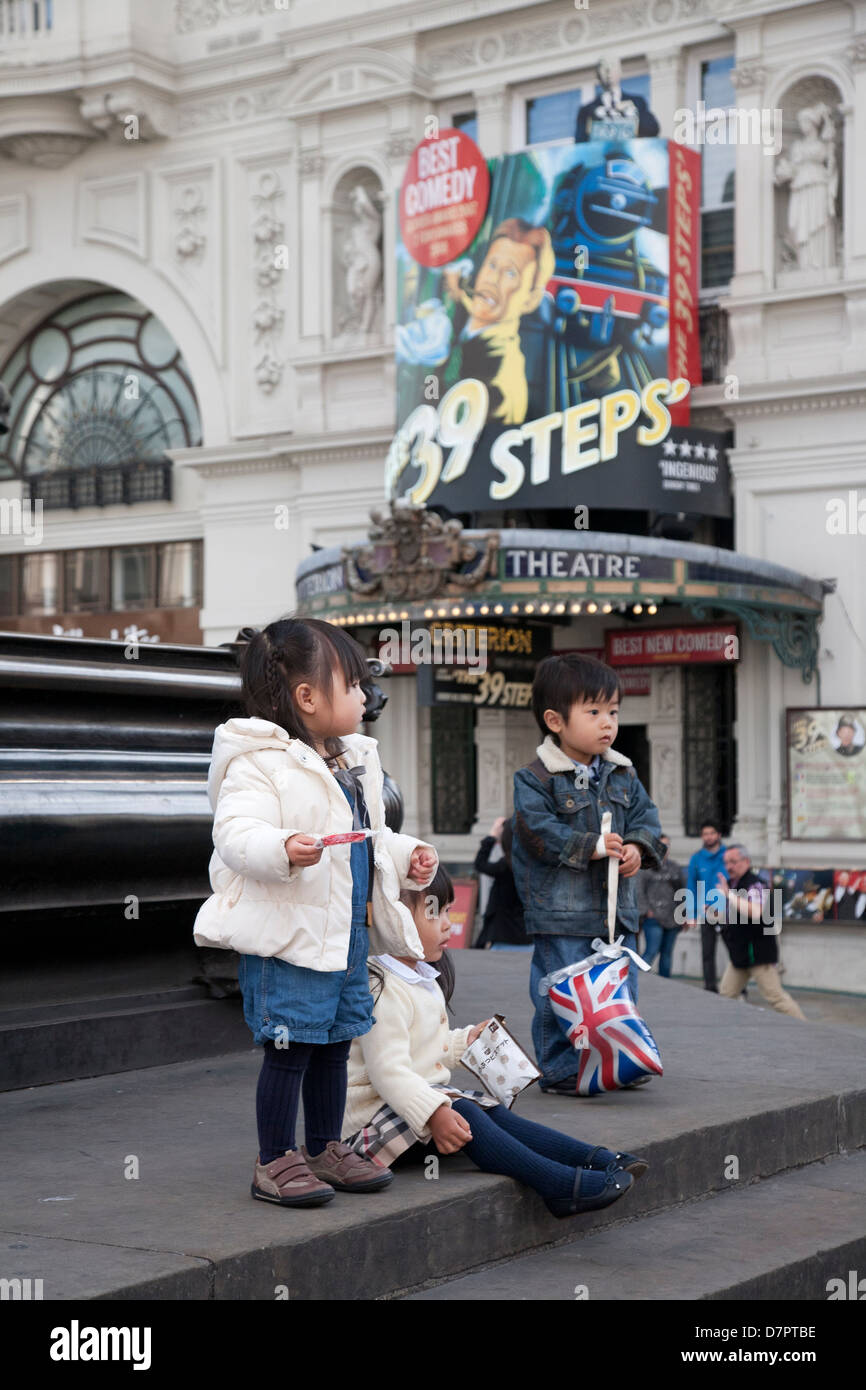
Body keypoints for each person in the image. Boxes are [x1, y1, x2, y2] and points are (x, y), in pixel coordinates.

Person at [193, 616, 440, 1208]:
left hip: (344, 937)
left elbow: (371, 837)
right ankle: (274, 1159)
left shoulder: (352, 760)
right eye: (353, 684)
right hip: (289, 939)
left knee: (336, 1042)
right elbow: (235, 834)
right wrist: (280, 848)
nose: (364, 695)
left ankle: (326, 1146)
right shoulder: (258, 762)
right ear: (307, 697)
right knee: (289, 1048)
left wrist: (409, 856)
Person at [342, 868, 645, 1218]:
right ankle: (560, 1185)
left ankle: (598, 1160)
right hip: (369, 1126)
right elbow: (389, 1073)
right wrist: (436, 1114)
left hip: (410, 1106)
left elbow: (425, 1048)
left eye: (447, 911)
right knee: (465, 1110)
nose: (447, 924)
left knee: (487, 1109)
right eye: (433, 912)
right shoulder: (380, 985)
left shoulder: (418, 976)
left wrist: (463, 1041)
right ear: (390, 918)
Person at [511, 652, 666, 1096]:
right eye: (594, 712)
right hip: (561, 914)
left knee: (619, 989)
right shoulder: (535, 778)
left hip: (618, 912)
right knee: (562, 991)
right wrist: (592, 847)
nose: (608, 723)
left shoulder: (623, 772)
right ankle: (561, 1070)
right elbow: (537, 832)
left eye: (613, 712)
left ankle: (618, 1062)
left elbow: (647, 818)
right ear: (555, 721)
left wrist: (638, 846)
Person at [442, 217, 555, 425]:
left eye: (510, 273)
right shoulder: (468, 313)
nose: (492, 280)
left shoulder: (501, 382)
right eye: (492, 265)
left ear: (530, 300)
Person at [710, 845, 807, 1020]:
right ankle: (722, 1034)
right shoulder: (733, 884)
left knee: (776, 999)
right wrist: (714, 911)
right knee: (725, 996)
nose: (729, 866)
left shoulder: (755, 884)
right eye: (726, 862)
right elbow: (733, 914)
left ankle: (808, 1030)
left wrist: (729, 895)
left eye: (733, 861)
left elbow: (755, 912)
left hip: (758, 955)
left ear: (746, 861)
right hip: (739, 955)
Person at [473, 816, 530, 949]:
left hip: (504, 936)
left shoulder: (506, 866)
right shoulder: (532, 864)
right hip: (528, 936)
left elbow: (480, 864)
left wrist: (492, 836)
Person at [685, 820, 728, 992]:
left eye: (712, 833)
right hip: (705, 913)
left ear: (718, 835)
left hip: (727, 913)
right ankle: (710, 988)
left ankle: (739, 988)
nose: (708, 837)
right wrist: (691, 913)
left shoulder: (729, 855)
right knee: (707, 952)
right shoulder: (696, 858)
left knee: (735, 951)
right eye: (705, 834)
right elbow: (691, 886)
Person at [636, 834, 685, 977]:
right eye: (661, 845)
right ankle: (639, 980)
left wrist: (683, 914)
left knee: (667, 954)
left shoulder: (675, 868)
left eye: (667, 845)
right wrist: (646, 911)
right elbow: (639, 891)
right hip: (653, 918)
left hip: (672, 918)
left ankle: (666, 984)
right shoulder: (645, 868)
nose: (664, 849)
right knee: (651, 951)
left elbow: (682, 892)